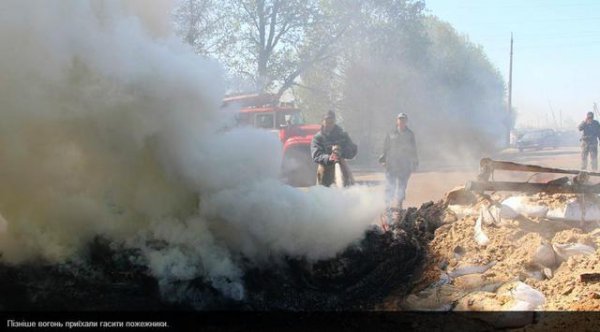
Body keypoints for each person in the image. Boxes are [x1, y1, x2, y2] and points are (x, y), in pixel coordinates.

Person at [379, 113, 418, 209]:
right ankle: (387, 206)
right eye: (400, 119)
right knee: (389, 185)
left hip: (404, 164)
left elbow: (413, 149)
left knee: (402, 186)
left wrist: (415, 162)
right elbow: (386, 147)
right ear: (397, 121)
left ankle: (399, 205)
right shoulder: (391, 133)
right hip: (391, 164)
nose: (402, 121)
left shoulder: (410, 134)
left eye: (403, 120)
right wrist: (383, 159)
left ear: (406, 121)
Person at [310, 111, 358, 186]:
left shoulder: (342, 135)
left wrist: (341, 152)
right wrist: (329, 158)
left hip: (342, 166)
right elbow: (316, 155)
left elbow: (353, 150)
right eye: (327, 121)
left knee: (347, 189)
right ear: (322, 122)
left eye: (331, 121)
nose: (329, 124)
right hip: (325, 170)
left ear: (334, 121)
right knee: (324, 192)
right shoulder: (318, 138)